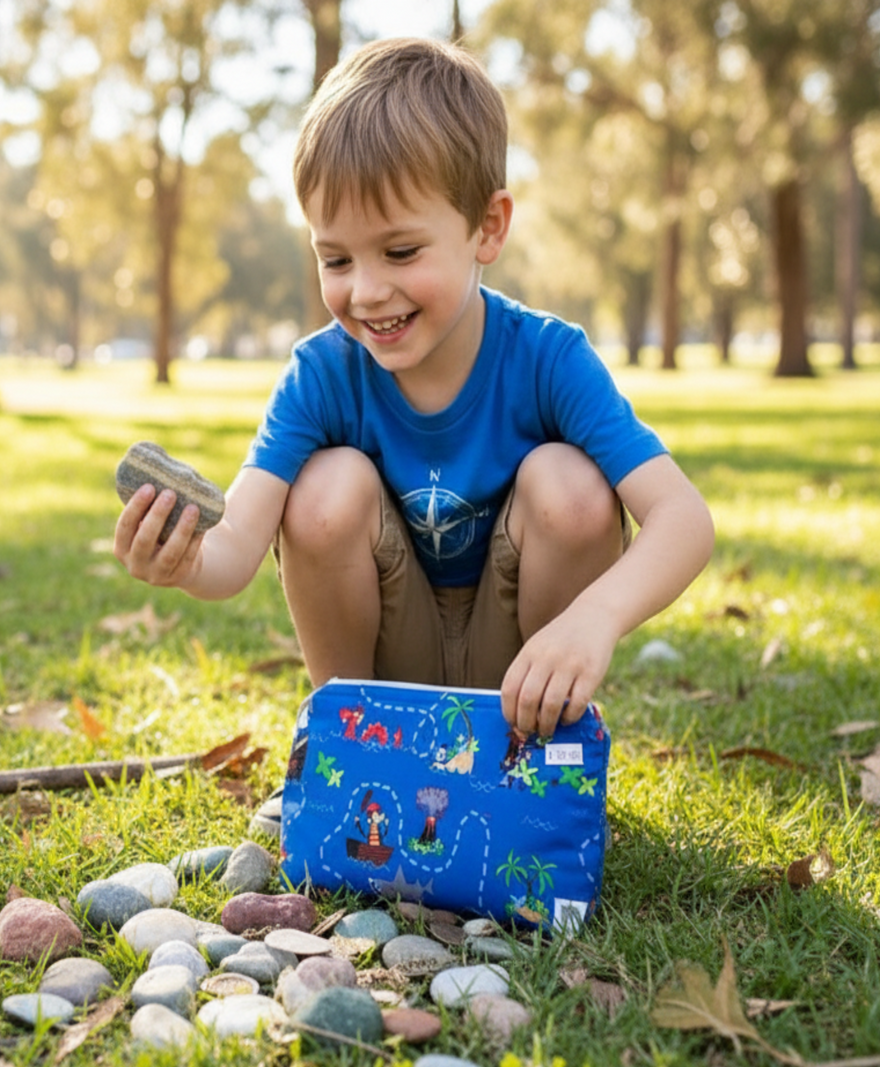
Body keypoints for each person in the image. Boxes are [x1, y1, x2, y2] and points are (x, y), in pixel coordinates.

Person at [114, 38, 713, 763]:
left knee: (572, 484)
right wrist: (182, 562)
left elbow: (683, 520)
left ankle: (532, 759)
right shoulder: (320, 374)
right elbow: (235, 548)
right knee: (325, 487)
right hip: (383, 677)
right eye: (335, 258)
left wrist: (595, 619)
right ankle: (356, 755)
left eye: (399, 253)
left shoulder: (549, 358)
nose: (365, 291)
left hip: (522, 679)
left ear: (486, 227)